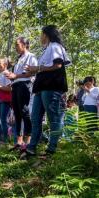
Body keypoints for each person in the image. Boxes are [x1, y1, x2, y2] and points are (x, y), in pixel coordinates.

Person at [22, 25, 71, 159]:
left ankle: (51, 150)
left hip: (51, 87)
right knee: (35, 119)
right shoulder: (47, 49)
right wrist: (34, 70)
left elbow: (58, 65)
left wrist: (37, 68)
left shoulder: (55, 46)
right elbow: (45, 67)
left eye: (41, 34)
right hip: (40, 88)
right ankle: (31, 148)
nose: (40, 37)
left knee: (53, 119)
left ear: (46, 34)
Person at [6, 37, 38, 148]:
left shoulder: (31, 56)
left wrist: (16, 76)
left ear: (24, 45)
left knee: (25, 111)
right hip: (15, 86)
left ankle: (28, 140)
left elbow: (31, 73)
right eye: (15, 45)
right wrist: (11, 77)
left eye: (17, 45)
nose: (15, 47)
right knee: (17, 113)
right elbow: (16, 75)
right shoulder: (19, 59)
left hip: (25, 85)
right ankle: (18, 142)